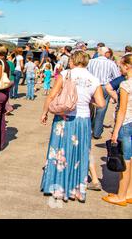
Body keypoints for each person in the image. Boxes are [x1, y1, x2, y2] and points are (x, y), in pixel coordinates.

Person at [40, 51, 106, 203]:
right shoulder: (94, 79)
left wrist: (45, 112)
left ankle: (56, 186)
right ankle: (75, 189)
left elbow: (52, 95)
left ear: (72, 61)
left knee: (59, 151)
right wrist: (87, 101)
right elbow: (101, 104)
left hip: (64, 118)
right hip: (83, 121)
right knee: (79, 154)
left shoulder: (66, 74)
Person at [102, 54, 132, 206]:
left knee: (124, 161)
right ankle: (129, 192)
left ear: (127, 67)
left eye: (120, 66)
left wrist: (115, 132)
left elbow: (122, 110)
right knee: (131, 160)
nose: (119, 68)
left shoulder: (125, 85)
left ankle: (120, 196)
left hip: (126, 124)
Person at [88, 46, 122, 139]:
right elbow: (117, 77)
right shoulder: (111, 63)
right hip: (104, 86)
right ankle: (97, 132)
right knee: (101, 109)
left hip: (91, 85)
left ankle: (88, 128)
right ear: (106, 53)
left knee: (89, 108)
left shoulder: (91, 62)